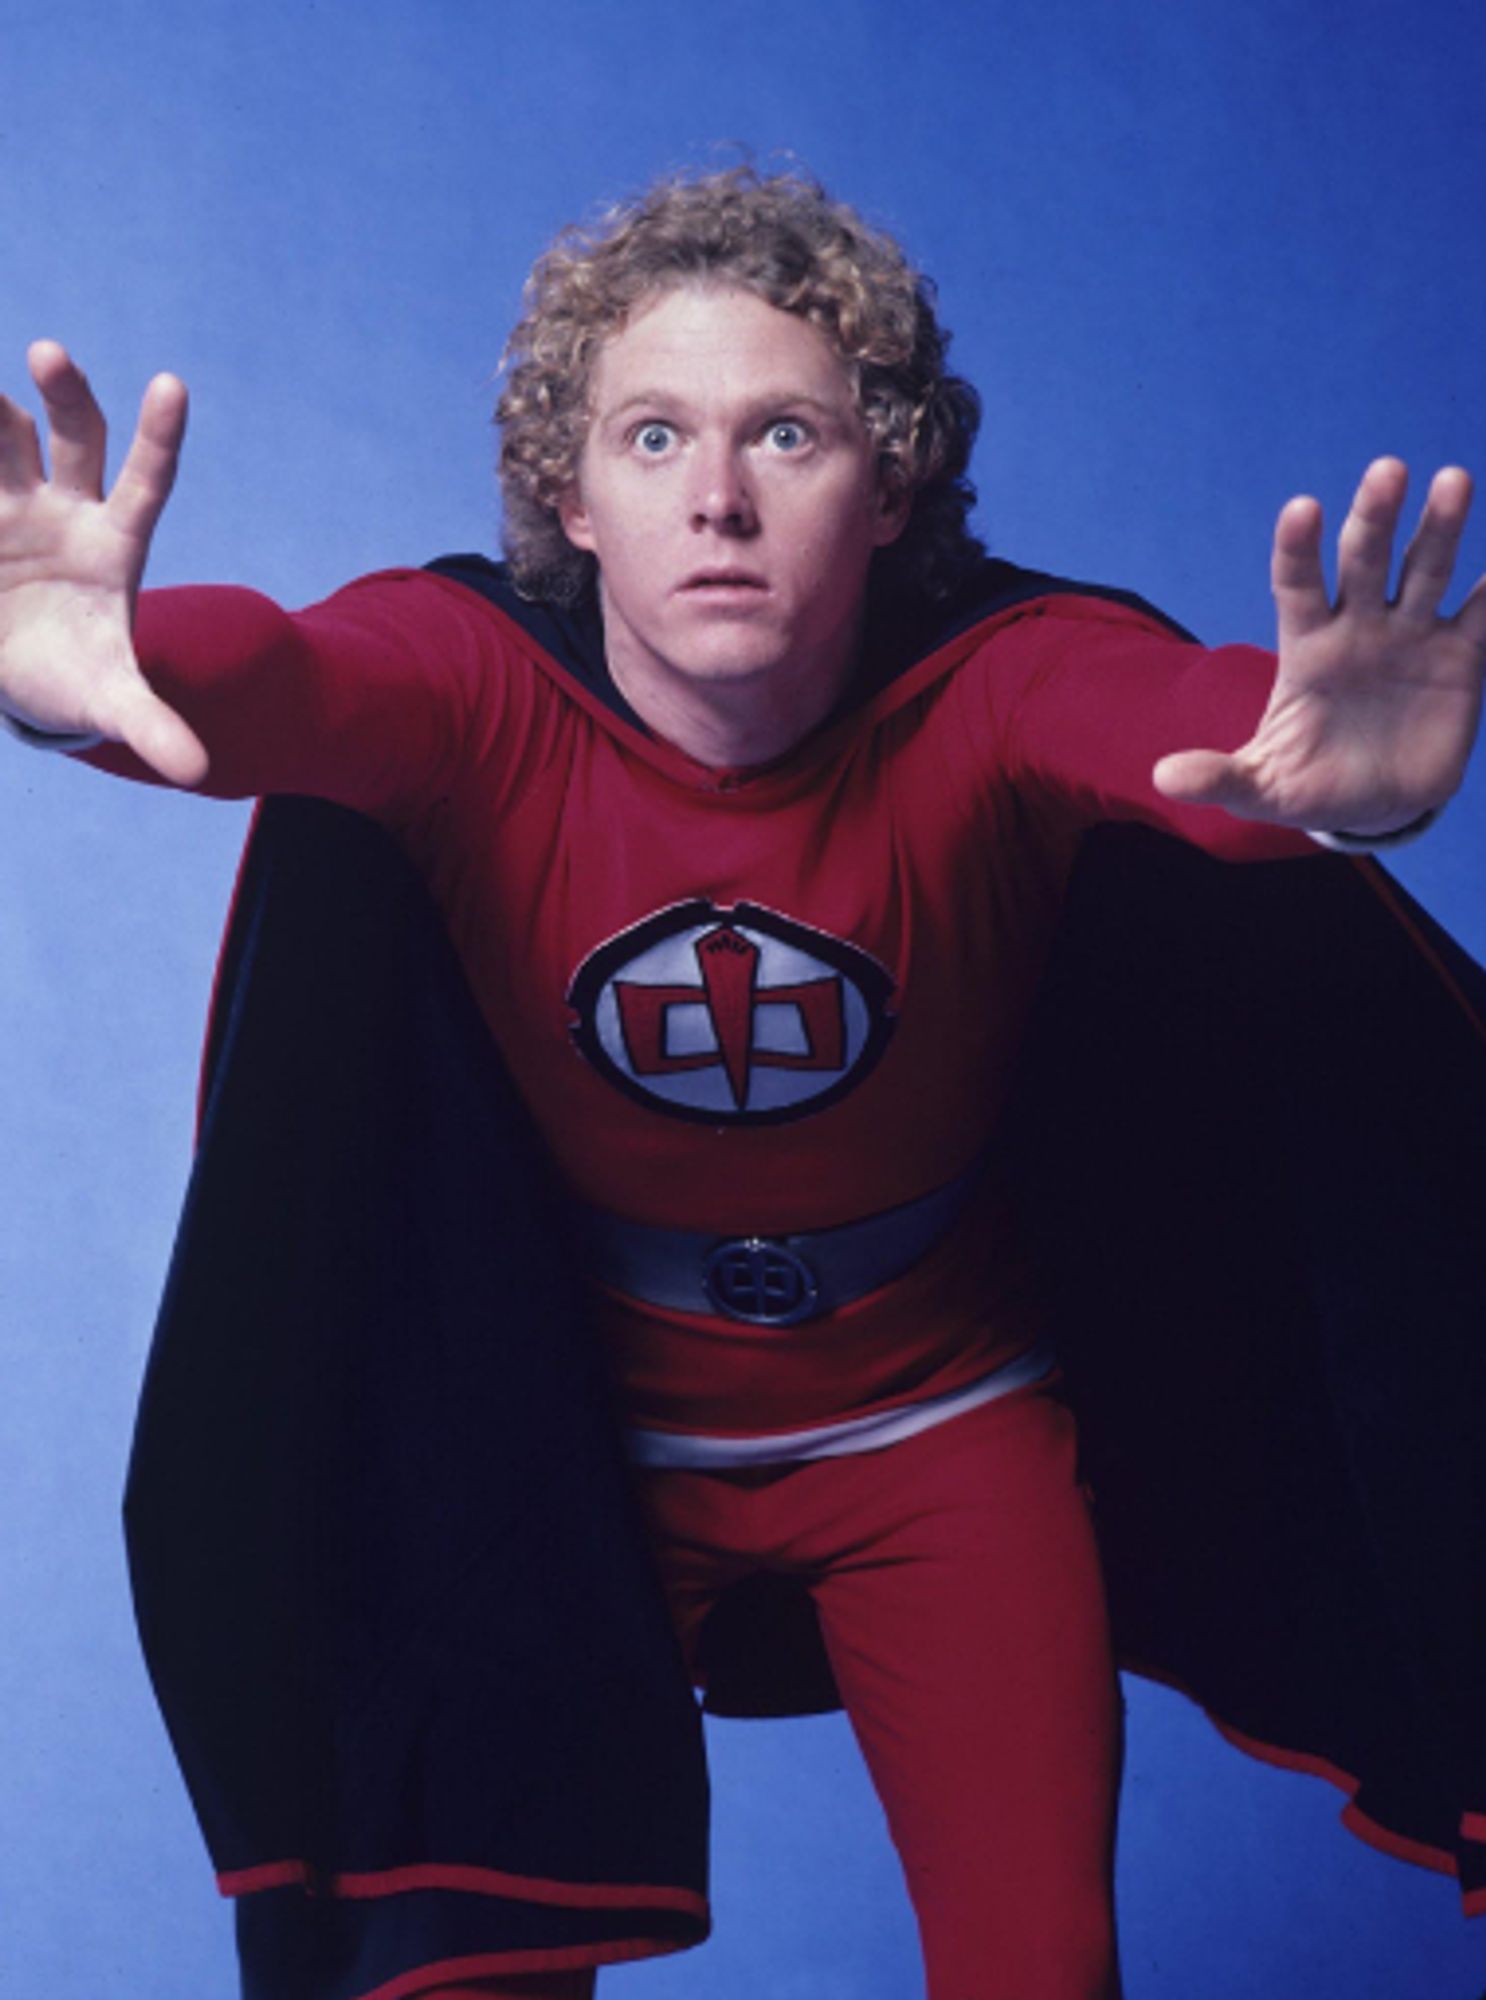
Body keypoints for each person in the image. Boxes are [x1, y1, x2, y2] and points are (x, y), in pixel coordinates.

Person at [3, 168, 1484, 2000]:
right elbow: (285, 679)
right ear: (572, 493)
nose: (715, 498)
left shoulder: (999, 684)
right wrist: (82, 678)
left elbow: (1197, 743)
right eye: (651, 437)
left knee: (1042, 1962)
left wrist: (1353, 785)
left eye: (785, 432)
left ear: (891, 490)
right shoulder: (466, 678)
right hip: (568, 1443)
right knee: (465, 1958)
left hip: (940, 1430)